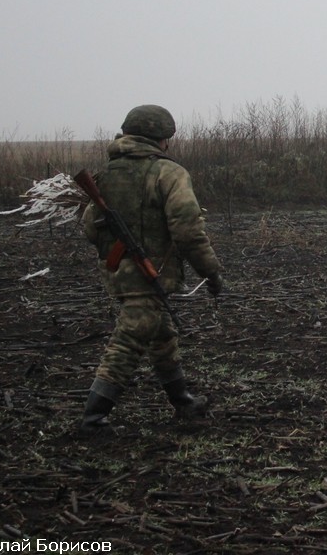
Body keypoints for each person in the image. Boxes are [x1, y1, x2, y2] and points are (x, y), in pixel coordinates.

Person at [78, 104, 224, 435]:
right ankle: (93, 418)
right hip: (148, 272)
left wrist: (121, 249)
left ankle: (183, 402)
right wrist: (210, 272)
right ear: (162, 139)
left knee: (162, 335)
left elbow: (90, 227)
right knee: (130, 339)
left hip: (118, 271)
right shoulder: (169, 173)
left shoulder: (108, 173)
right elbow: (188, 231)